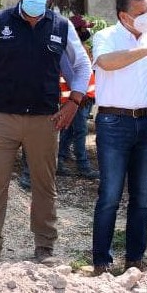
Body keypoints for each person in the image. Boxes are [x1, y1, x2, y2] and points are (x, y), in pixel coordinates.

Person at [0, 0, 92, 270]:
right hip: (1, 118)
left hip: (45, 120)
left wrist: (73, 102)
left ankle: (45, 247)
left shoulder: (61, 26)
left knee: (44, 185)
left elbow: (82, 68)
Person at [90, 0, 147, 276]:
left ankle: (135, 258)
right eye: (141, 13)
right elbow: (105, 63)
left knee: (141, 196)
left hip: (146, 125)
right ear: (123, 16)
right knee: (110, 195)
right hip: (113, 123)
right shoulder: (106, 37)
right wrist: (144, 51)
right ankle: (102, 261)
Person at [57, 15, 98, 178]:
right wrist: (77, 97)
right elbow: (69, 76)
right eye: (84, 28)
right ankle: (83, 166)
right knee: (80, 132)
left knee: (69, 131)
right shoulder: (69, 51)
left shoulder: (80, 47)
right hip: (76, 100)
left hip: (83, 98)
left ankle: (60, 160)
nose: (87, 31)